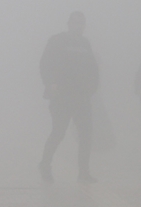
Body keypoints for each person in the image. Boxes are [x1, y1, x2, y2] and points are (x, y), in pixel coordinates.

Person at [39, 11, 99, 183]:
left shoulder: (85, 44)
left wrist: (92, 87)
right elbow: (45, 63)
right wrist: (50, 83)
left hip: (82, 97)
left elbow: (93, 69)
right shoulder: (57, 40)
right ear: (68, 24)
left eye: (82, 23)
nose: (79, 26)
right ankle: (45, 165)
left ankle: (84, 172)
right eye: (75, 23)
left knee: (86, 134)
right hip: (61, 96)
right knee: (58, 132)